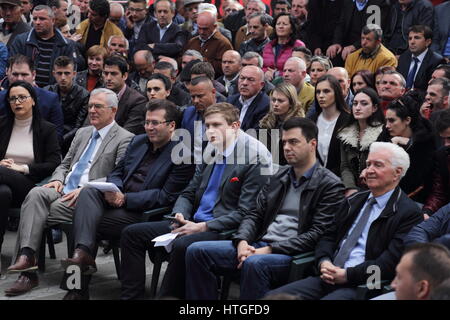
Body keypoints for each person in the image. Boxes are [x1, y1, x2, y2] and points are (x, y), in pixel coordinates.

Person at [119, 102, 272, 300]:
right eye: (207, 126)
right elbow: (189, 192)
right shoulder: (212, 147)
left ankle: (168, 297)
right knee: (132, 234)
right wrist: (180, 213)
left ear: (235, 126)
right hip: (192, 222)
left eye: (217, 125)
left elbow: (246, 212)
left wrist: (203, 227)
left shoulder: (255, 157)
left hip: (222, 229)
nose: (210, 131)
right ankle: (131, 297)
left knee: (184, 245)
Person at [185, 117, 346, 299]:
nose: (286, 148)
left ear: (312, 144)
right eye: (284, 142)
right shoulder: (279, 175)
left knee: (254, 263)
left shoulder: (330, 185)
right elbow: (254, 213)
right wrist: (242, 242)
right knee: (197, 251)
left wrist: (269, 250)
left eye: (293, 142)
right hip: (257, 245)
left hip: (290, 253)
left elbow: (317, 234)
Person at [59, 99, 195, 300]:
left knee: (84, 224)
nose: (149, 127)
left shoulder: (183, 155)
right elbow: (117, 171)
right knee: (87, 193)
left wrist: (125, 198)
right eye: (147, 122)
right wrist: (115, 189)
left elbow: (165, 196)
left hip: (145, 214)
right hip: (117, 203)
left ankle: (76, 289)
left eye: (155, 123)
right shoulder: (138, 141)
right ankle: (82, 256)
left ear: (171, 125)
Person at [4, 88, 134, 296]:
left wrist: (87, 189)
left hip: (89, 197)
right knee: (36, 194)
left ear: (113, 110)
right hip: (64, 189)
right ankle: (27, 256)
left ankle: (29, 274)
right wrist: (56, 180)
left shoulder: (125, 138)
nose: (92, 110)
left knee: (33, 213)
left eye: (98, 106)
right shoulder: (82, 133)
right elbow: (64, 165)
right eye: (90, 105)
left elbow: (118, 176)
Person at [266, 141, 423, 300]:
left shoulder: (409, 213)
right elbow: (328, 236)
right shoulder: (354, 200)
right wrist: (324, 261)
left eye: (378, 165)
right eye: (368, 164)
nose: (369, 170)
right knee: (273, 297)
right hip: (327, 276)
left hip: (363, 285)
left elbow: (389, 264)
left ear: (397, 172)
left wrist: (348, 275)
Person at [0, 81, 61, 259]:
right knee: (2, 193)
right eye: (12, 99)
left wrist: (22, 168)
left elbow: (54, 162)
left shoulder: (46, 129)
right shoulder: (2, 125)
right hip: (5, 184)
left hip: (30, 186)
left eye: (22, 97)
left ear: (33, 100)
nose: (17, 102)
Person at [377, 93, 436, 202]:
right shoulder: (385, 136)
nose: (387, 125)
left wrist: (410, 145)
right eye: (386, 120)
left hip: (415, 200)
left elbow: (421, 180)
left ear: (407, 120)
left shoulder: (425, 142)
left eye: (392, 120)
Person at [9, 5, 76, 88]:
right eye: (34, 19)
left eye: (42, 19)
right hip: (25, 89)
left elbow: (69, 73)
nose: (37, 22)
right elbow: (12, 68)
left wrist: (51, 91)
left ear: (53, 20)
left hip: (55, 94)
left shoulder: (66, 45)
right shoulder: (21, 41)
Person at [0, 55, 64, 140]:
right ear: (7, 72)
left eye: (24, 74)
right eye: (15, 74)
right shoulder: (0, 98)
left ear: (33, 74)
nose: (19, 79)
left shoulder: (50, 100)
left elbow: (57, 136)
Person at [337, 87, 384, 196]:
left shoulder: (382, 133)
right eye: (355, 103)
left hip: (375, 189)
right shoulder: (345, 133)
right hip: (352, 189)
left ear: (374, 108)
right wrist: (350, 188)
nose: (357, 108)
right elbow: (345, 166)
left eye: (364, 104)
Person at [44, 56, 90, 155]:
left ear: (74, 74)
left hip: (71, 143)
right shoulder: (47, 91)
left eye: (67, 73)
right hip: (47, 139)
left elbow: (79, 127)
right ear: (54, 74)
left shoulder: (84, 95)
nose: (63, 77)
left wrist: (59, 140)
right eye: (59, 73)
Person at [309, 74, 350, 177]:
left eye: (326, 91)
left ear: (336, 93)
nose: (321, 95)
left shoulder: (349, 120)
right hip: (313, 179)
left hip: (339, 180)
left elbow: (348, 161)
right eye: (318, 92)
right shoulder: (311, 120)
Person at [258, 82, 305, 165]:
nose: (275, 104)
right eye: (273, 100)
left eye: (280, 101)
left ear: (291, 103)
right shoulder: (265, 123)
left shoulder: (298, 126)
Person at [102, 55, 148, 135]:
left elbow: (127, 133)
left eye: (113, 74)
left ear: (125, 76)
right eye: (106, 73)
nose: (108, 78)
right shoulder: (98, 95)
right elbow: (88, 126)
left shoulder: (137, 101)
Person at [184, 10, 233, 78]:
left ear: (215, 26)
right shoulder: (192, 41)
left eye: (205, 29)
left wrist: (200, 61)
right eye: (199, 28)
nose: (201, 32)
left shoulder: (223, 43)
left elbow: (223, 68)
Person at [397, 25, 446, 91]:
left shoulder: (436, 61)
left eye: (417, 38)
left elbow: (432, 89)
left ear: (427, 42)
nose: (412, 42)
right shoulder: (404, 57)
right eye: (410, 38)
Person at [420, 110, 450, 215]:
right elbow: (439, 193)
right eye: (443, 139)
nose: (446, 144)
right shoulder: (442, 155)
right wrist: (427, 211)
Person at [262, 13, 305, 82]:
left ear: (292, 29)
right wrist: (266, 72)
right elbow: (263, 66)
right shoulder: (268, 46)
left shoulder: (298, 45)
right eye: (278, 24)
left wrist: (277, 74)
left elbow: (300, 69)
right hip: (268, 83)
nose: (280, 26)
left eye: (284, 24)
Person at [227, 65, 270, 131]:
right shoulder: (231, 101)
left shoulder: (266, 105)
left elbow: (259, 135)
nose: (244, 83)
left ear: (261, 85)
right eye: (242, 78)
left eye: (251, 80)